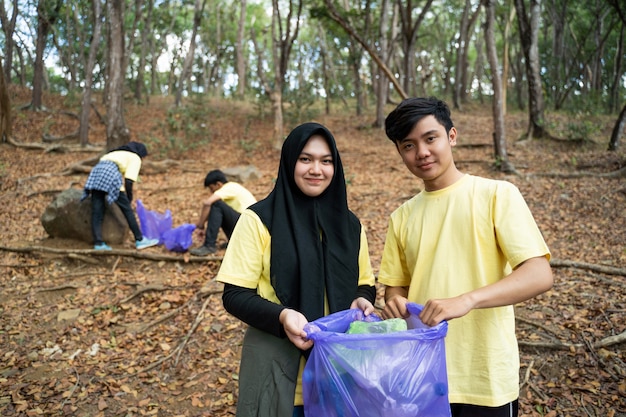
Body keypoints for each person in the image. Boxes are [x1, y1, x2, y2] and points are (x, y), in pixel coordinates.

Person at [378, 97, 553, 417]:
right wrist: (394, 303)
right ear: (401, 153)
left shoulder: (496, 195)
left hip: (484, 379)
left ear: (452, 136)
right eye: (408, 145)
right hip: (421, 376)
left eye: (431, 138)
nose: (422, 152)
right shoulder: (401, 217)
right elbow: (395, 289)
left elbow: (539, 273)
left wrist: (467, 300)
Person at [215, 122, 377, 417]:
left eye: (326, 161)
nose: (317, 169)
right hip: (278, 367)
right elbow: (235, 295)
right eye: (306, 159)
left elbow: (364, 284)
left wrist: (363, 298)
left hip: (340, 369)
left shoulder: (350, 226)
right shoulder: (258, 220)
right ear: (290, 161)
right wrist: (283, 315)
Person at [82, 141, 159, 251]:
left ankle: (98, 243)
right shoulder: (135, 157)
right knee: (127, 210)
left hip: (96, 172)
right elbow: (129, 180)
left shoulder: (114, 153)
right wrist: (129, 198)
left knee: (97, 211)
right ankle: (140, 240)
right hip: (110, 173)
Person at [190, 169, 257, 256]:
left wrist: (201, 225)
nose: (212, 192)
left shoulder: (228, 187)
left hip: (250, 227)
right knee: (218, 207)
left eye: (211, 188)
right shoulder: (232, 189)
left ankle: (209, 245)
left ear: (218, 184)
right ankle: (234, 242)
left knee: (217, 205)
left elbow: (207, 203)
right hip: (249, 228)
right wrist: (200, 224)